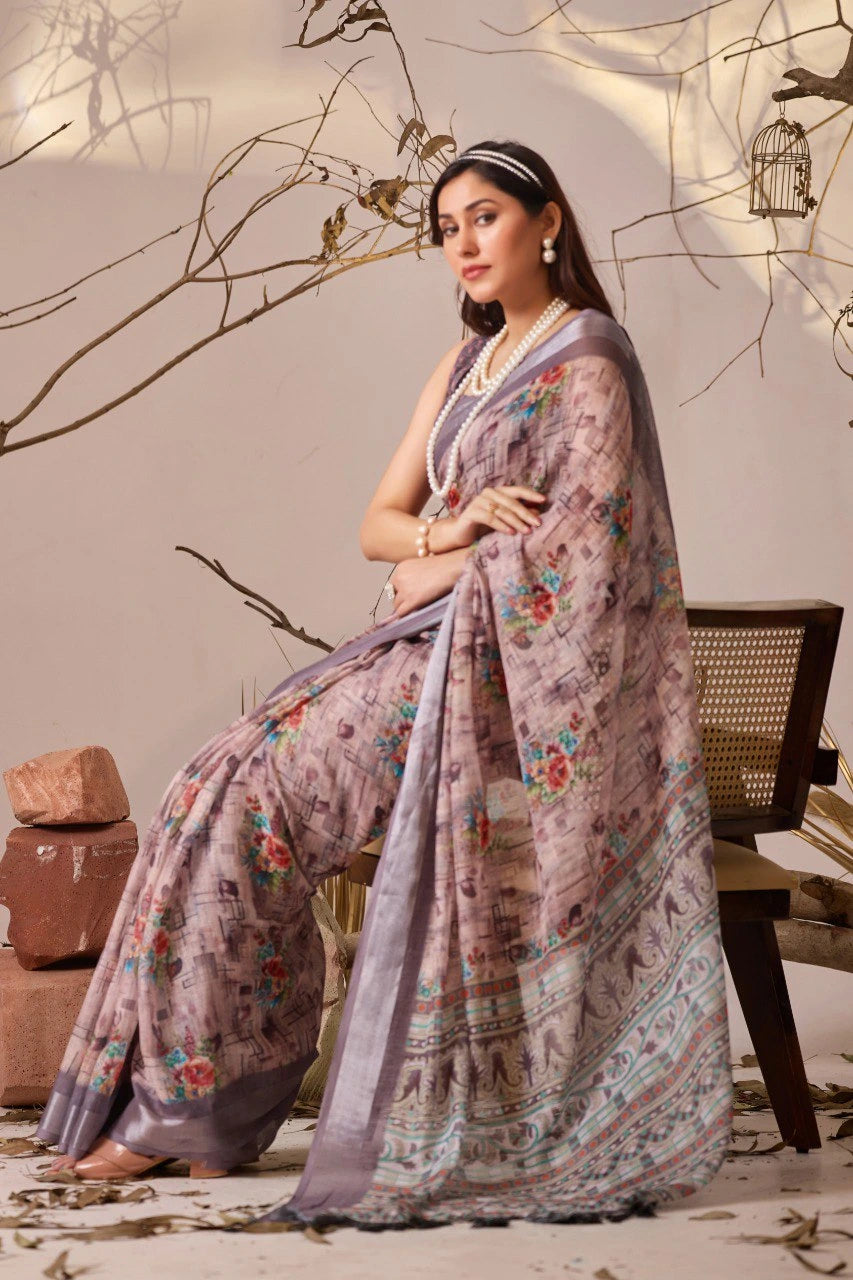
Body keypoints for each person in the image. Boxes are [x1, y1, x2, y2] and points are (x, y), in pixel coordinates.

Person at [38, 140, 733, 1225]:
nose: (462, 241)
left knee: (251, 798)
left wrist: (435, 564)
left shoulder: (589, 360)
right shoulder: (461, 369)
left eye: (485, 217)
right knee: (209, 786)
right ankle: (201, 1103)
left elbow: (588, 560)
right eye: (446, 225)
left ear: (547, 222)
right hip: (420, 652)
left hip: (499, 685)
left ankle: (193, 1117)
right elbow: (376, 524)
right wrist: (443, 532)